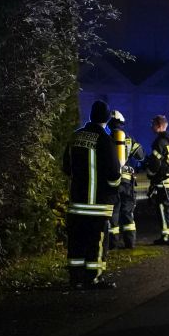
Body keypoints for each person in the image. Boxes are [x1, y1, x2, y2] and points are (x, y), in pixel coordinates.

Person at [63, 100, 121, 289]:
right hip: (98, 205)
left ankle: (75, 278)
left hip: (76, 204)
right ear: (107, 118)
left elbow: (66, 167)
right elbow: (114, 173)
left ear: (90, 115)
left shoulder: (75, 137)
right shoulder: (105, 140)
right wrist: (113, 190)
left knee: (77, 241)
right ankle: (93, 278)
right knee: (96, 242)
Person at [107, 111, 145, 249]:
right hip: (127, 182)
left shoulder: (106, 138)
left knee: (114, 211)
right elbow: (141, 156)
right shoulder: (129, 139)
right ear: (122, 123)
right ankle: (130, 242)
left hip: (113, 181)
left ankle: (113, 243)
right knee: (127, 211)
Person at [144, 115, 169, 246]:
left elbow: (155, 163)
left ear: (159, 125)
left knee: (163, 208)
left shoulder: (159, 142)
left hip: (163, 181)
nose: (151, 127)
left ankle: (166, 237)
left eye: (153, 124)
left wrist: (149, 173)